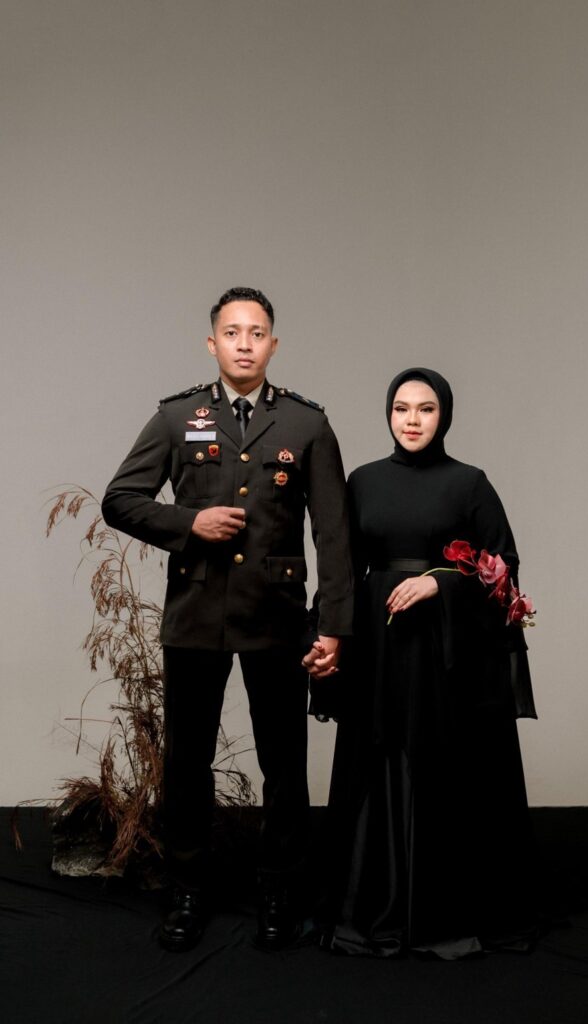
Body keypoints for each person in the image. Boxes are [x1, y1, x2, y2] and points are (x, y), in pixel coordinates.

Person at [102, 286, 353, 952]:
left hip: (276, 616)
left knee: (284, 763)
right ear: (212, 343)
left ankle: (279, 890)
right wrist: (189, 523)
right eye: (233, 333)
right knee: (186, 763)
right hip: (196, 612)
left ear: (274, 344)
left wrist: (333, 626)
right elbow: (120, 499)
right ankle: (187, 889)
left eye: (257, 333)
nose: (245, 344)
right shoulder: (176, 417)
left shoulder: (306, 424)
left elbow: (333, 535)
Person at [322, 367, 538, 959]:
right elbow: (344, 568)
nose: (412, 420)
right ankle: (373, 904)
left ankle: (443, 907)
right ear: (388, 414)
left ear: (444, 415)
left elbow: (504, 566)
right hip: (379, 643)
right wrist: (327, 633)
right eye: (401, 408)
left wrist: (439, 583)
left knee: (441, 761)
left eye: (425, 409)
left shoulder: (470, 483)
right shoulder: (363, 481)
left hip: (444, 654)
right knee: (379, 757)